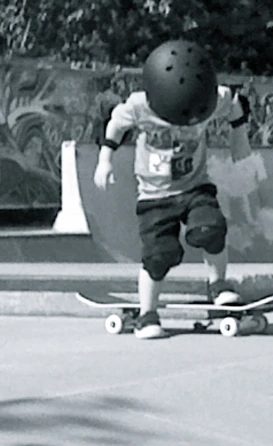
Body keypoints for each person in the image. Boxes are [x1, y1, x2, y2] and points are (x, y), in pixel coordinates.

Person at [93, 40, 252, 339]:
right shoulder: (138, 106)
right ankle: (147, 315)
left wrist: (239, 141)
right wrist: (105, 160)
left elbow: (235, 105)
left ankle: (218, 285)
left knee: (211, 229)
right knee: (158, 255)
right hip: (154, 197)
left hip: (195, 186)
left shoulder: (211, 97)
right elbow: (114, 126)